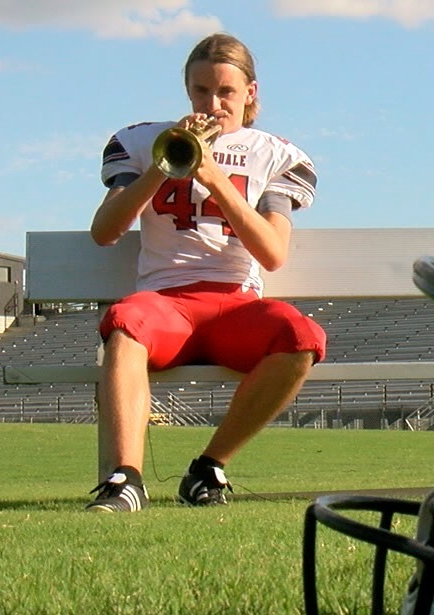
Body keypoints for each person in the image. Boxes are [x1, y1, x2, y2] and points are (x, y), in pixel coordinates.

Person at [85, 32, 324, 512]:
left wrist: (213, 175)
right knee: (126, 323)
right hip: (165, 303)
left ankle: (209, 466)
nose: (212, 103)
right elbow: (105, 231)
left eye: (225, 92)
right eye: (200, 91)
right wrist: (162, 165)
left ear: (250, 92)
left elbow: (274, 253)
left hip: (235, 303)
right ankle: (124, 478)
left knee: (302, 336)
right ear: (186, 90)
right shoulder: (140, 141)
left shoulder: (274, 153)